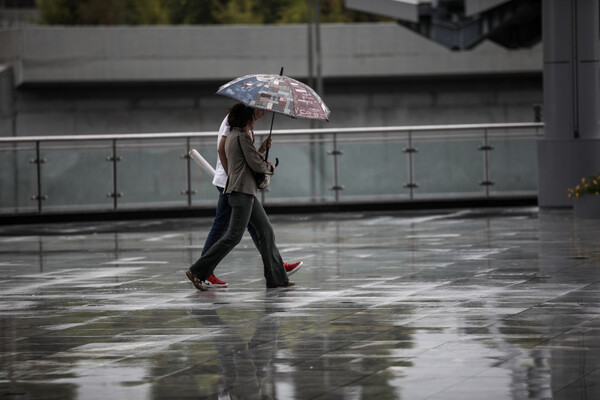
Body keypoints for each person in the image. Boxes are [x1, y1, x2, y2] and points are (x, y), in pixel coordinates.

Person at [186, 104, 296, 290]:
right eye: (255, 115)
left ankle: (276, 277)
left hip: (244, 190)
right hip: (242, 192)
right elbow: (254, 164)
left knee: (265, 231)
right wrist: (270, 167)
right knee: (233, 236)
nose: (258, 117)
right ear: (247, 118)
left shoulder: (234, 136)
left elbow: (245, 160)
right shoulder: (242, 137)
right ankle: (198, 270)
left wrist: (259, 149)